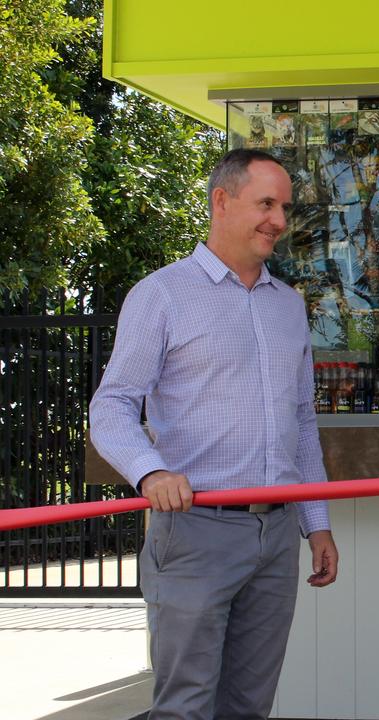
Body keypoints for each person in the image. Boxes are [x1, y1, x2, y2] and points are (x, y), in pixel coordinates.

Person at [90, 149, 339, 720]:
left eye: (284, 207)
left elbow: (303, 421)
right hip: (196, 531)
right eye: (266, 204)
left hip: (277, 534)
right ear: (221, 202)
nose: (279, 219)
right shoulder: (162, 294)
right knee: (185, 708)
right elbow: (112, 405)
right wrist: (150, 471)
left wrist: (316, 523)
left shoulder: (288, 307)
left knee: (250, 707)